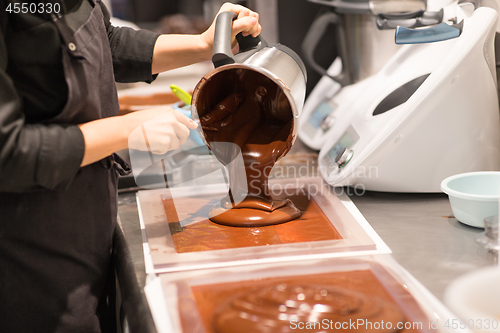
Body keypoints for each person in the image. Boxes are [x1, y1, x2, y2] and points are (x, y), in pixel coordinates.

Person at [0, 1, 261, 332]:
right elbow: (8, 152)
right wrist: (127, 129)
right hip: (31, 260)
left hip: (89, 229)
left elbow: (106, 43)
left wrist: (203, 44)